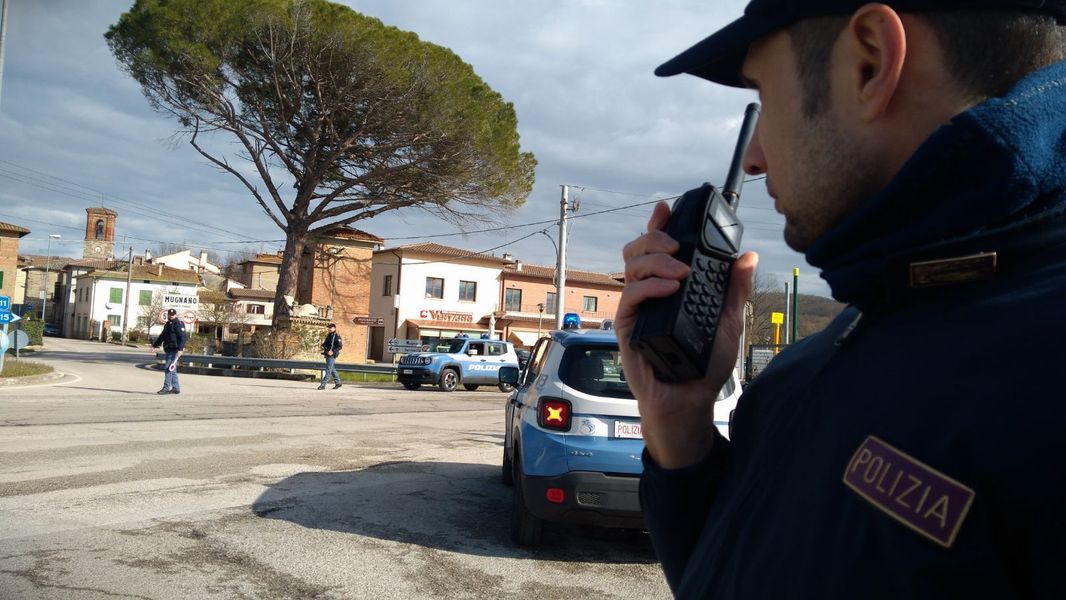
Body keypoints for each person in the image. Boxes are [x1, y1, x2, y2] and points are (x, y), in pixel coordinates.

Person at [617, 1, 1066, 597]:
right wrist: (679, 427)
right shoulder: (810, 365)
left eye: (764, 94)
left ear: (870, 63)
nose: (752, 160)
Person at [151, 308, 186, 394]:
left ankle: (166, 388)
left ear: (175, 315)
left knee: (168, 368)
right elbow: (162, 336)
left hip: (175, 349)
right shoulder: (167, 324)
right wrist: (154, 345)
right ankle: (176, 388)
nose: (171, 316)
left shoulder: (178, 324)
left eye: (172, 314)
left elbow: (183, 337)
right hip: (168, 349)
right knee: (172, 369)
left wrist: (180, 349)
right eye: (170, 314)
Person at [318, 323, 343, 390]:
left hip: (332, 355)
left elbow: (340, 346)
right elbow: (326, 343)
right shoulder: (329, 335)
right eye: (328, 328)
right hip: (327, 354)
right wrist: (322, 345)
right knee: (332, 369)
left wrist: (333, 351)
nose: (329, 329)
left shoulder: (337, 336)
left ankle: (323, 385)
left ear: (334, 328)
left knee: (328, 370)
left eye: (330, 328)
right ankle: (338, 382)